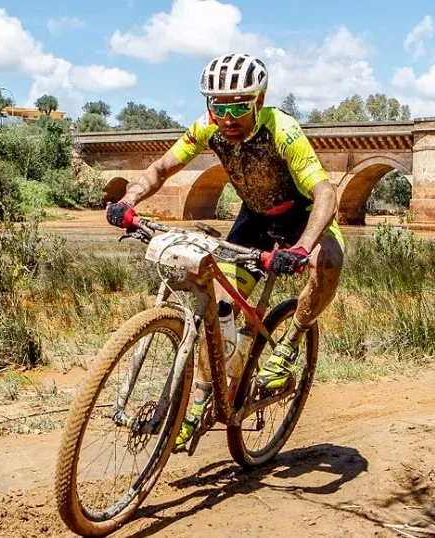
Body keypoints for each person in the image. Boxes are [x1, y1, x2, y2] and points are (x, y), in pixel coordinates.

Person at [106, 53, 345, 451]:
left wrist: (303, 247)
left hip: (301, 215)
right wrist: (127, 201)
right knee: (220, 309)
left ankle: (291, 342)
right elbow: (162, 169)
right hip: (254, 217)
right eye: (219, 107)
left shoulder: (283, 131)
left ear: (259, 100)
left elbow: (325, 193)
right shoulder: (207, 128)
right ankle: (199, 405)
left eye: (238, 107)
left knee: (329, 261)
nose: (228, 118)